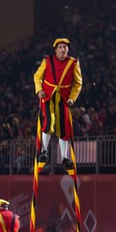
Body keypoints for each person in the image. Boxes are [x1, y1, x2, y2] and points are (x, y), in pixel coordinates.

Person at [34, 38, 83, 170]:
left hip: (63, 98)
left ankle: (65, 158)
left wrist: (72, 98)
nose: (63, 49)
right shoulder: (47, 60)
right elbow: (37, 76)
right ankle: (44, 152)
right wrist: (39, 90)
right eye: (60, 47)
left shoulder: (73, 63)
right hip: (48, 96)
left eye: (65, 47)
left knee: (63, 128)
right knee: (49, 123)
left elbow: (78, 83)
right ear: (55, 49)